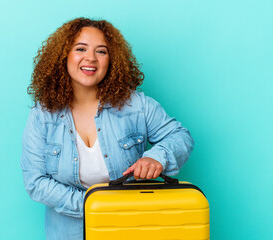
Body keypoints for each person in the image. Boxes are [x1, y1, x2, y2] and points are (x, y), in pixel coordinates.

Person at [20, 17, 194, 240]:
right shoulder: (42, 115)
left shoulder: (137, 105)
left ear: (112, 61)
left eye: (101, 51)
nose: (90, 58)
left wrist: (158, 157)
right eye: (81, 48)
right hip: (68, 233)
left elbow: (180, 136)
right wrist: (97, 205)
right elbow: (36, 182)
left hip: (132, 228)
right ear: (63, 56)